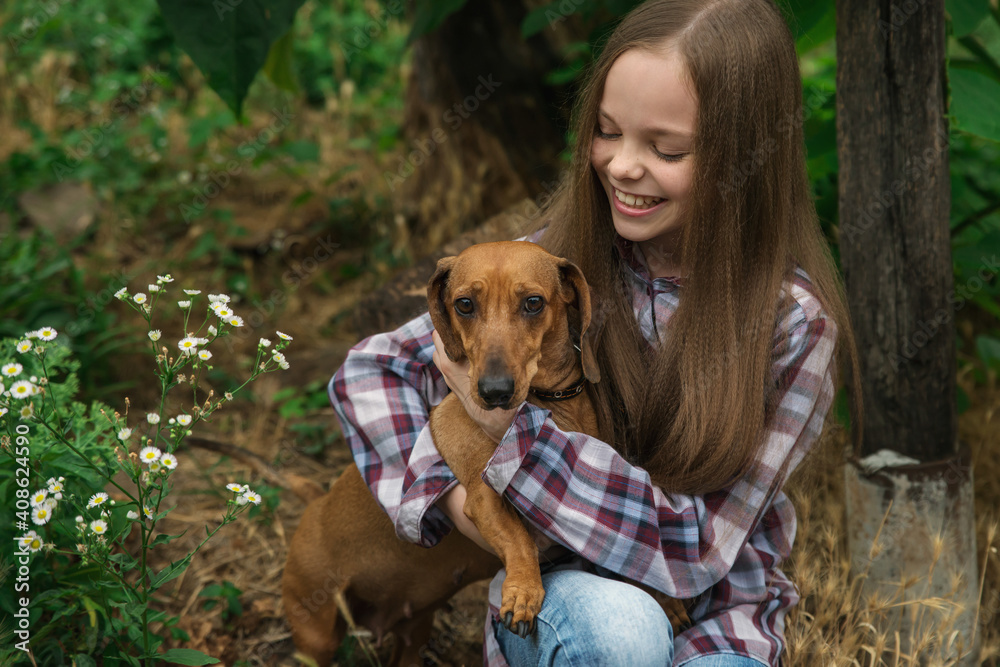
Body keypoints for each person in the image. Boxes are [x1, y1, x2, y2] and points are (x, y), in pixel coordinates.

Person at [329, 0, 861, 664]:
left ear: (745, 155)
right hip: (573, 595)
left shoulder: (791, 324)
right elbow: (371, 371)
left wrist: (504, 429)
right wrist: (455, 502)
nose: (621, 166)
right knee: (618, 632)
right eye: (607, 132)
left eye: (665, 148)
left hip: (722, 612)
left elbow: (693, 550)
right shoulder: (555, 265)